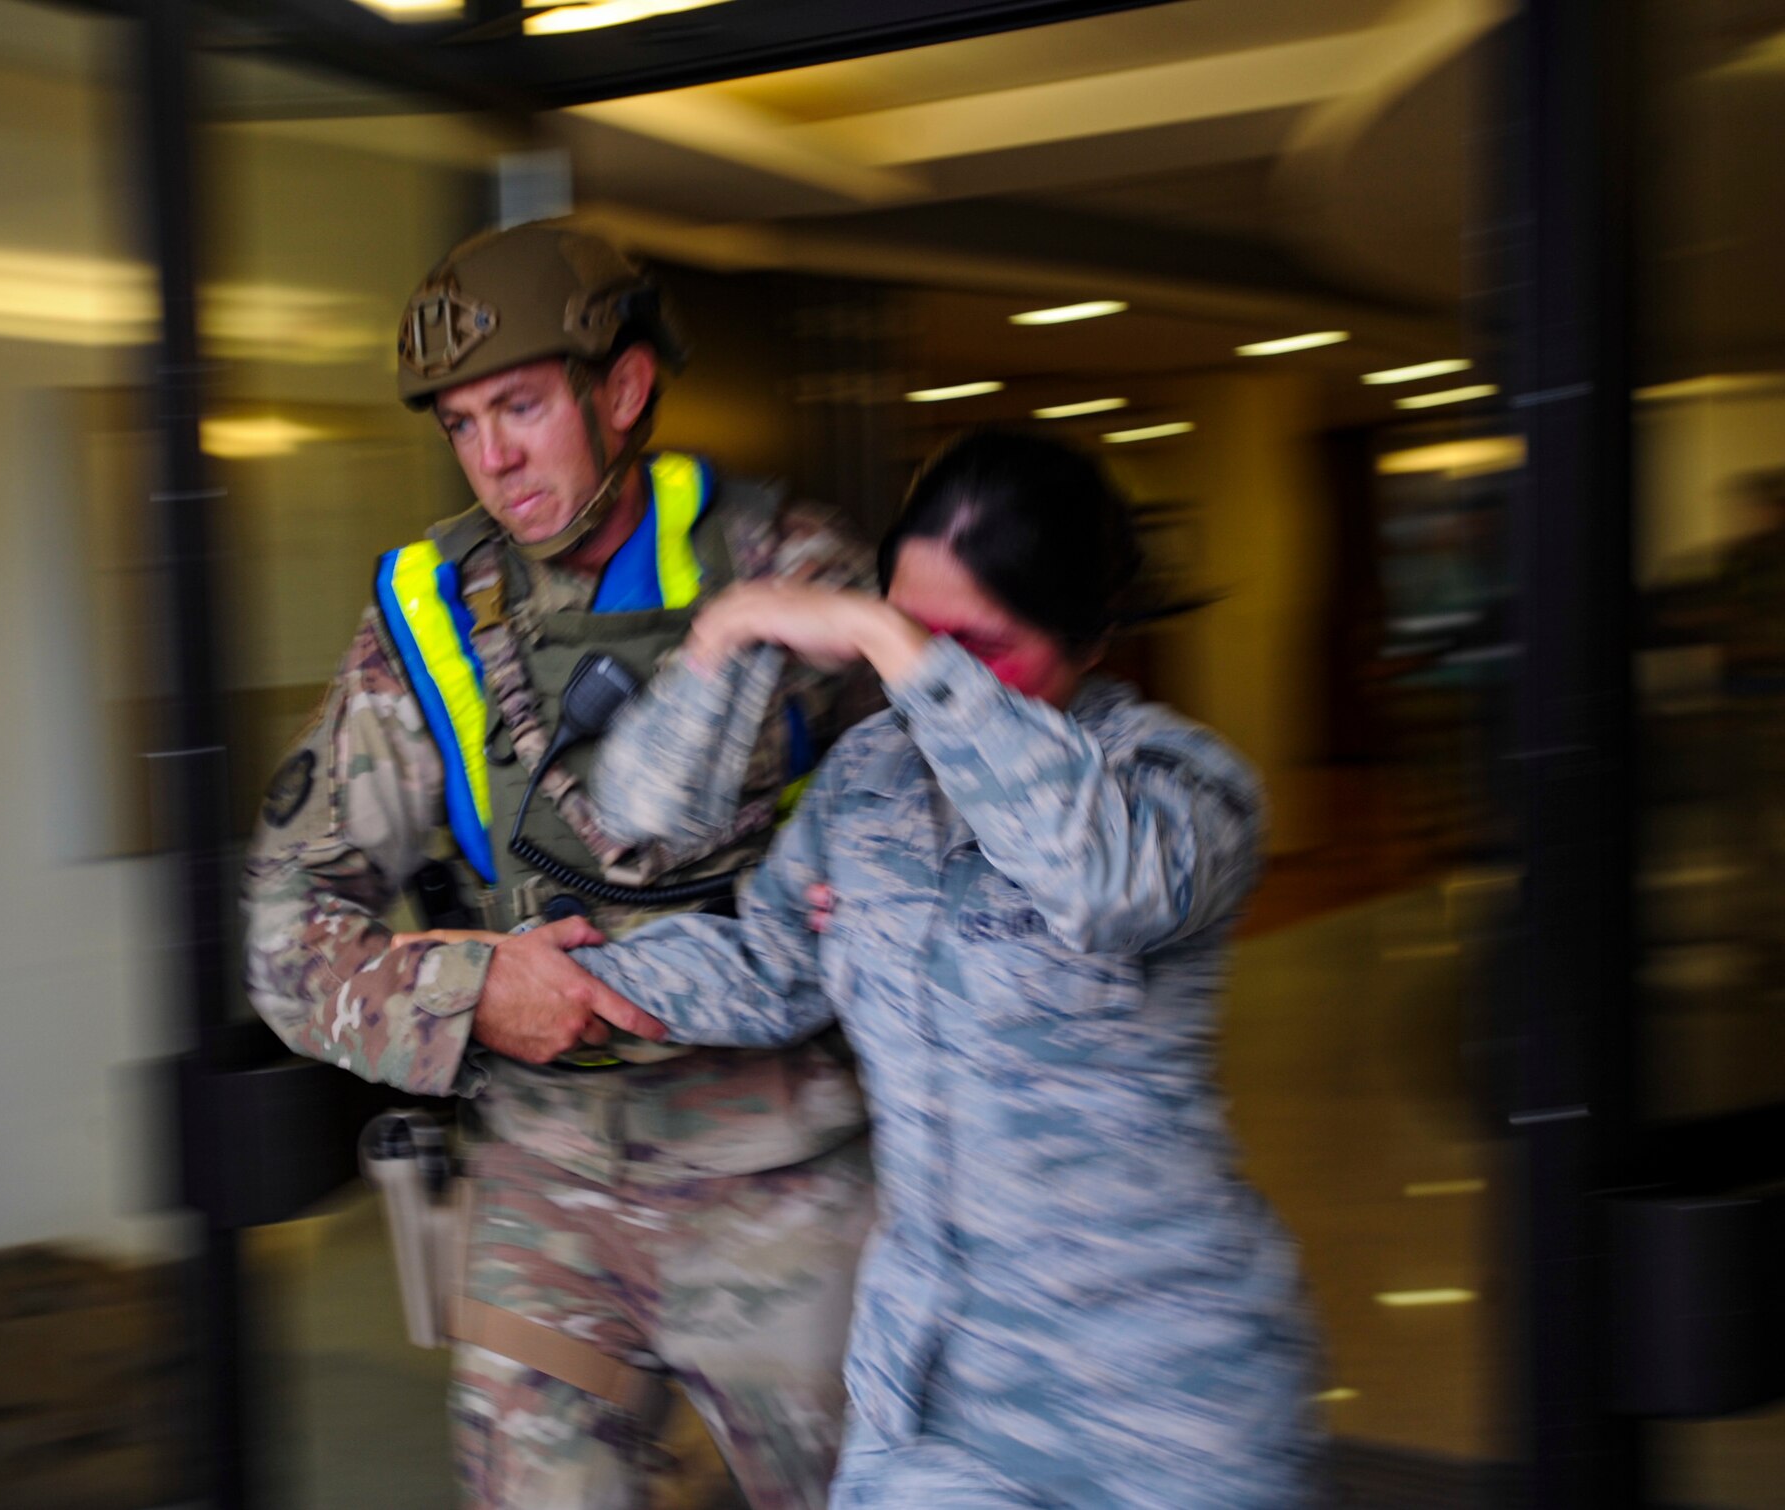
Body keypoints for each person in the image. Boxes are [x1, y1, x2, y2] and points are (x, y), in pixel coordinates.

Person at [242, 222, 880, 1510]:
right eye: (463, 424)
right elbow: (284, 933)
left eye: (522, 407)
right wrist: (478, 997)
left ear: (624, 388)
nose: (495, 459)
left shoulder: (786, 566)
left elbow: (946, 846)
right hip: (545, 1184)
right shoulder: (424, 612)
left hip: (779, 1172)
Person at [576, 431, 1323, 1508]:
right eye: (906, 631)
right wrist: (591, 974)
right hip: (934, 1390)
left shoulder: (1178, 785)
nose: (923, 680)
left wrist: (893, 641)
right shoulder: (868, 780)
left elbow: (1098, 881)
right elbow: (770, 962)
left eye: (968, 644)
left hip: (1163, 1397)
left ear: (1085, 634)